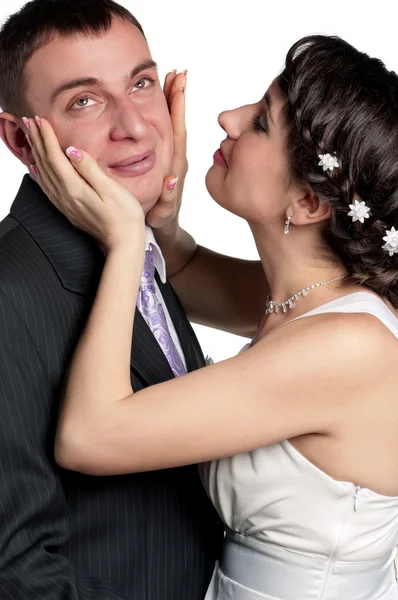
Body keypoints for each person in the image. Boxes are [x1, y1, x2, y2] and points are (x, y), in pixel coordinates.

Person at [27, 33, 398, 599]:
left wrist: (127, 240)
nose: (228, 117)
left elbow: (88, 436)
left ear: (309, 203)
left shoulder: (346, 345)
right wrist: (160, 218)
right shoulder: (312, 299)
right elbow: (185, 270)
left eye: (260, 124)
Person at [0, 0, 265, 597]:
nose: (136, 126)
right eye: (84, 101)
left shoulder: (138, 247)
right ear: (21, 139)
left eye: (142, 84)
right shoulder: (10, 290)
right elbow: (17, 575)